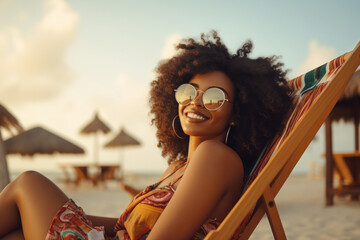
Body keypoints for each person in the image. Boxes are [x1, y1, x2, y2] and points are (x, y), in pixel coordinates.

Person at [0, 31, 291, 240]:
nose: (196, 102)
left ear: (237, 114)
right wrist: (77, 212)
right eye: (189, 91)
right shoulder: (178, 168)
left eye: (215, 97)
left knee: (28, 183)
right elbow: (132, 224)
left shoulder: (216, 157)